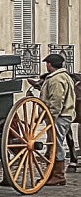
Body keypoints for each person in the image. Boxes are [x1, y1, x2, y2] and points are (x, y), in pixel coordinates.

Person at [40, 53, 75, 186]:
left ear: (49, 64)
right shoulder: (64, 76)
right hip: (64, 115)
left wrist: (51, 117)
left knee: (56, 144)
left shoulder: (56, 79)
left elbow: (56, 101)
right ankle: (53, 173)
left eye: (47, 64)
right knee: (55, 143)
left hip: (60, 116)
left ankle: (58, 175)